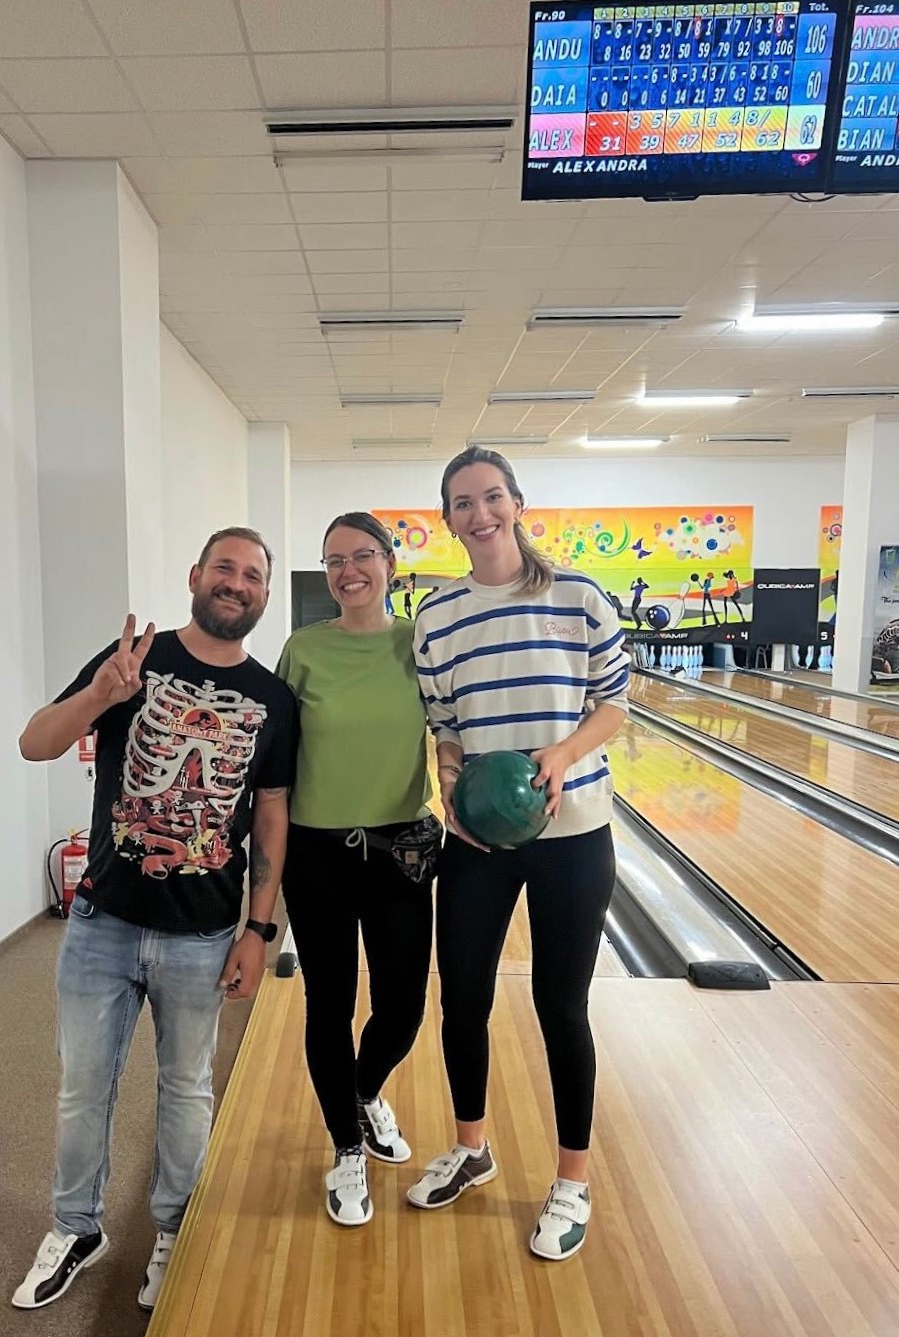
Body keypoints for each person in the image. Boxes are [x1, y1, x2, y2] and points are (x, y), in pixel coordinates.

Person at [11, 528, 298, 1313]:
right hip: (103, 921)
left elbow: (270, 817)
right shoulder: (135, 657)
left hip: (204, 932)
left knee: (184, 1088)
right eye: (225, 569)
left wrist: (258, 928)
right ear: (196, 576)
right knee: (82, 1088)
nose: (236, 584)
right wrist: (102, 693)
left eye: (252, 576)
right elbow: (35, 742)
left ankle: (175, 1229)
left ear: (264, 595)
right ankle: (76, 1227)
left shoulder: (273, 700)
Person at [407, 446, 628, 1263]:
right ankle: (473, 1146)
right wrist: (452, 784)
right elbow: (446, 725)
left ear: (517, 502)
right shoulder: (437, 616)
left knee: (559, 1006)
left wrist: (564, 755)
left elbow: (615, 703)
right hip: (478, 839)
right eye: (462, 502)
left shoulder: (577, 596)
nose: (480, 513)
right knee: (460, 998)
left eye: (491, 496)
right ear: (449, 518)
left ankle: (571, 1179)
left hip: (573, 834)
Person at [277, 513, 441, 1228]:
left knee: (403, 1007)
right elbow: (277, 760)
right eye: (335, 559)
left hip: (400, 846)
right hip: (317, 853)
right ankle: (346, 1145)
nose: (350, 569)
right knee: (330, 1003)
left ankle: (366, 1091)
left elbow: (457, 730)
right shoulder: (303, 648)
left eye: (364, 555)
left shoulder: (419, 645)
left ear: (390, 564)